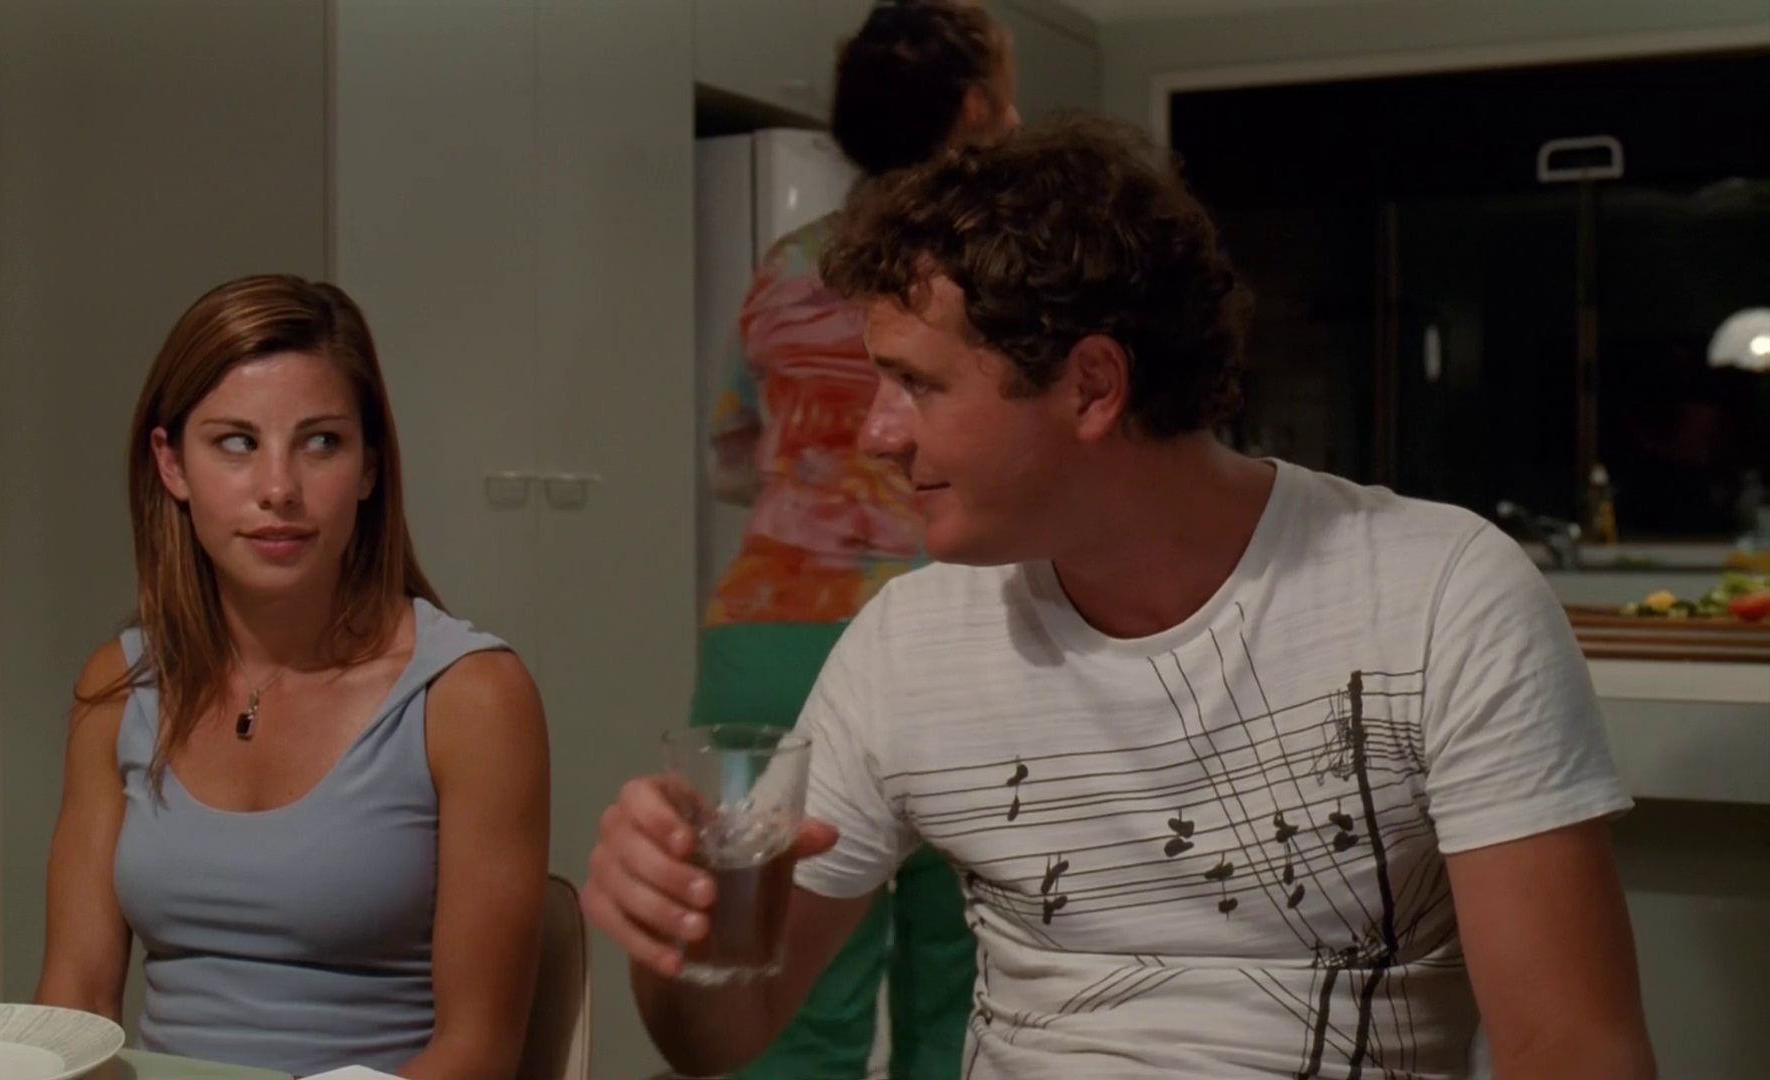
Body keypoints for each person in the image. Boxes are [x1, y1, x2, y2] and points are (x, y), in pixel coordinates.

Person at [589, 116, 1656, 1079]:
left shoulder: (1441, 594)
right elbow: (720, 1039)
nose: (876, 433)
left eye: (918, 383)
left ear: (1093, 387)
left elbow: (1577, 1048)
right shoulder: (908, 642)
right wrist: (676, 928)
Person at [35, 274, 551, 1079]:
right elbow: (75, 1005)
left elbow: (478, 1053)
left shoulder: (471, 698)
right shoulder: (120, 685)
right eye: (236, 443)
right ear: (172, 464)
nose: (279, 489)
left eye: (320, 443)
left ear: (369, 466)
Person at [694, 2, 1021, 1077]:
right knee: (960, 978)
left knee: (775, 977)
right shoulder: (997, 270)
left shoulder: (791, 260)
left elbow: (732, 455)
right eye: (1007, 99)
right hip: (946, 632)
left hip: (765, 643)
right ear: (973, 110)